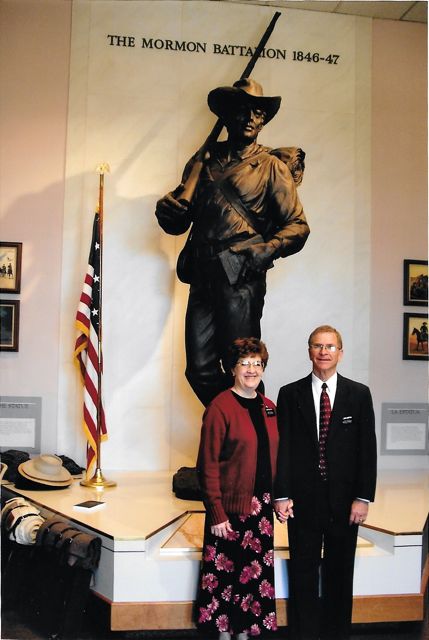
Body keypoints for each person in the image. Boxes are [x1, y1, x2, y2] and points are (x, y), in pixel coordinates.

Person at [155, 78, 310, 407]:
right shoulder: (204, 161)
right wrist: (168, 211)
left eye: (258, 112)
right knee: (199, 370)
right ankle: (231, 426)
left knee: (243, 367)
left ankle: (248, 434)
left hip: (240, 271)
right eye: (242, 110)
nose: (251, 118)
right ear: (226, 115)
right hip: (203, 272)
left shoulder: (271, 167)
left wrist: (262, 251)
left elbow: (298, 227)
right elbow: (180, 221)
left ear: (263, 120)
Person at [274, 325, 377, 640]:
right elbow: (283, 448)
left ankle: (336, 634)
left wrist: (363, 498)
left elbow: (367, 450)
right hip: (303, 500)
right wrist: (282, 495)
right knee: (303, 573)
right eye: (317, 346)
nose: (323, 352)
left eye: (330, 346)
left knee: (340, 573)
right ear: (309, 351)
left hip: (345, 502)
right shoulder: (289, 394)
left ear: (340, 353)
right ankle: (304, 634)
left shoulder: (359, 395)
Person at [196, 337, 281, 640]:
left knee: (252, 578)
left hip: (261, 509)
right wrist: (216, 512)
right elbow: (207, 464)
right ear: (232, 368)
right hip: (229, 511)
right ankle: (223, 633)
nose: (251, 369)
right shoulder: (219, 407)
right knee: (224, 578)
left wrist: (280, 499)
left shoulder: (269, 407)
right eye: (244, 363)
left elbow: (275, 458)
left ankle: (244, 631)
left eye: (257, 363)